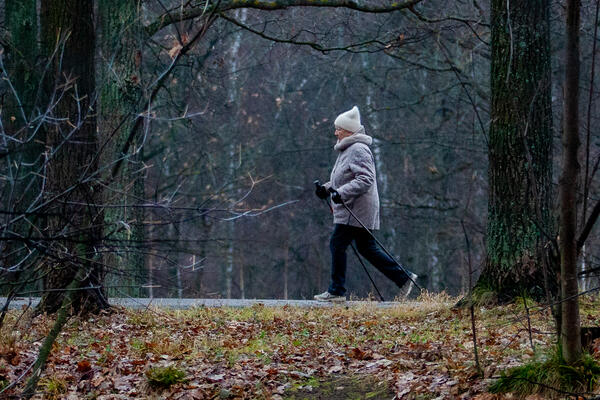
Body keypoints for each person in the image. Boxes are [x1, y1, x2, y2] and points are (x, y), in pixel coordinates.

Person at [314, 106, 418, 303]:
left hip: (356, 209)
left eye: (339, 129)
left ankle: (336, 291)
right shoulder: (348, 149)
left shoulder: (358, 149)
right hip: (353, 207)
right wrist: (327, 189)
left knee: (337, 243)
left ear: (349, 131)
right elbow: (343, 179)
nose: (335, 132)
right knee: (366, 248)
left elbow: (366, 179)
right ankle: (404, 278)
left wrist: (340, 192)